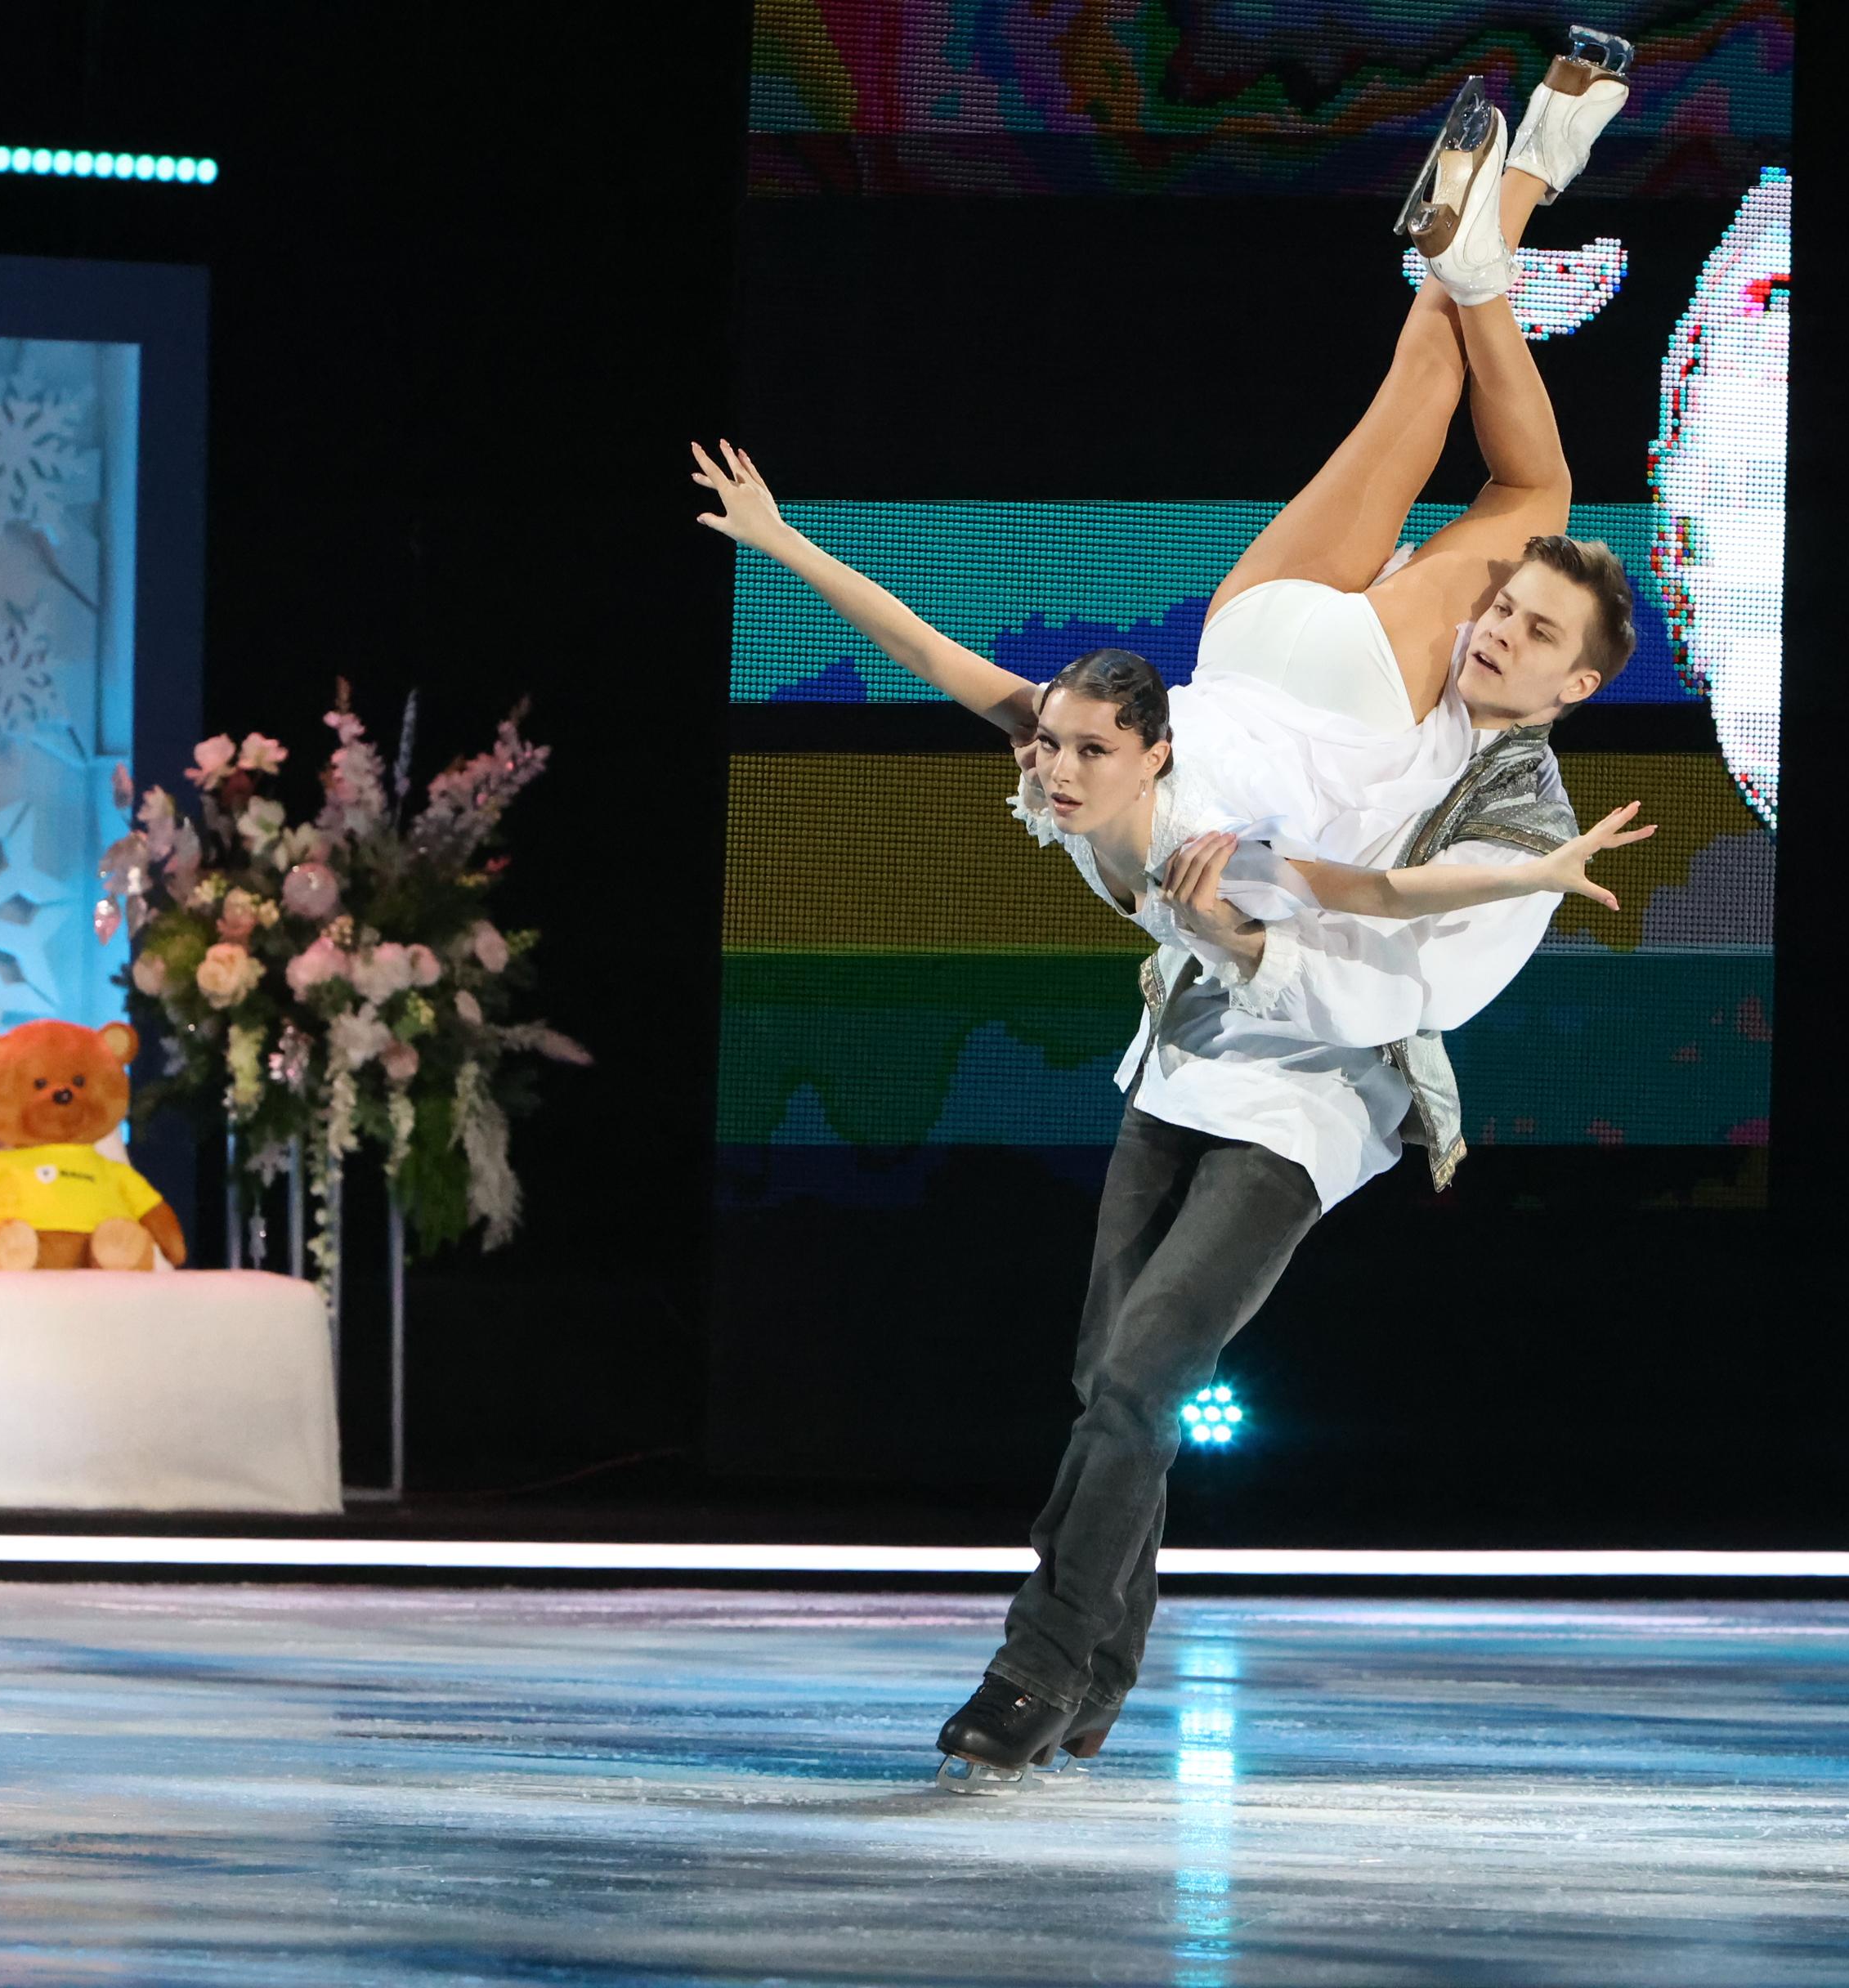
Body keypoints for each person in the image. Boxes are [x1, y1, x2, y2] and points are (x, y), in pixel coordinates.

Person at [694, 43, 1639, 1782]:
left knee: (1470, 423)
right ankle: (1502, 212)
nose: (1496, 628)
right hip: (1295, 720)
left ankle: (1044, 1673)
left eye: (1527, 635)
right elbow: (974, 679)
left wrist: (1489, 880)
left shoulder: (1419, 770)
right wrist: (783, 542)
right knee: (1514, 477)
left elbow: (1389, 933)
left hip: (1270, 704)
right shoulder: (1164, 761)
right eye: (1507, 620)